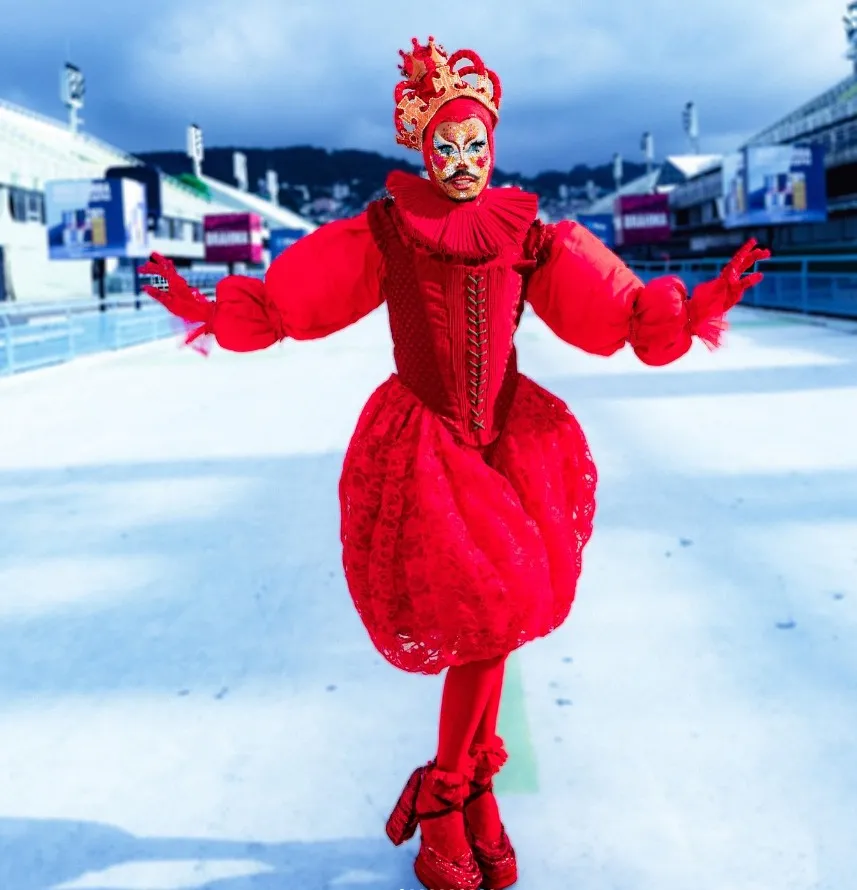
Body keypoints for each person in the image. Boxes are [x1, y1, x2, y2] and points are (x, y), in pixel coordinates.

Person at [139, 36, 769, 890]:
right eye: (446, 146)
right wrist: (224, 312)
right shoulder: (389, 230)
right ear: (422, 148)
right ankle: (452, 804)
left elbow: (609, 309)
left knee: (496, 628)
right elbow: (302, 297)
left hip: (508, 444)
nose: (463, 162)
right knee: (486, 629)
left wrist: (690, 311)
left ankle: (463, 801)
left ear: (493, 145)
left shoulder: (529, 236)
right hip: (428, 446)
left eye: (475, 145)